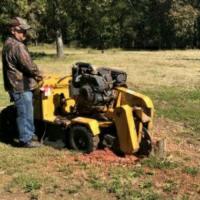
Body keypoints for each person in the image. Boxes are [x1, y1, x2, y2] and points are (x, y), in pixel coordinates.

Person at [2, 17, 43, 148]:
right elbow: (29, 66)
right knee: (24, 112)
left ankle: (30, 134)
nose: (24, 34)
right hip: (20, 85)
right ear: (13, 30)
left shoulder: (7, 43)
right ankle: (26, 139)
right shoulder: (18, 46)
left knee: (26, 110)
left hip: (15, 84)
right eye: (22, 31)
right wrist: (39, 75)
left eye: (25, 31)